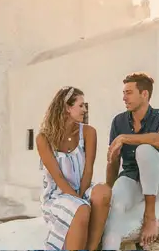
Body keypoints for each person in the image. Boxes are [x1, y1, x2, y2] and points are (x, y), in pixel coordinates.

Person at [104, 73, 159, 248]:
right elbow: (113, 160)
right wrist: (109, 188)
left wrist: (125, 138)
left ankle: (150, 217)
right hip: (132, 178)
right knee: (115, 204)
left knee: (144, 149)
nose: (124, 98)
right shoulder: (118, 121)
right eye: (123, 93)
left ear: (144, 94)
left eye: (129, 92)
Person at [37, 86, 112, 251]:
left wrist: (80, 196)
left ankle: (91, 248)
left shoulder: (88, 132)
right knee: (81, 209)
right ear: (67, 107)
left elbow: (88, 170)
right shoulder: (44, 138)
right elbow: (58, 177)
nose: (85, 110)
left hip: (82, 188)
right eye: (81, 105)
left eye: (85, 106)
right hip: (57, 194)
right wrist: (78, 201)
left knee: (103, 192)